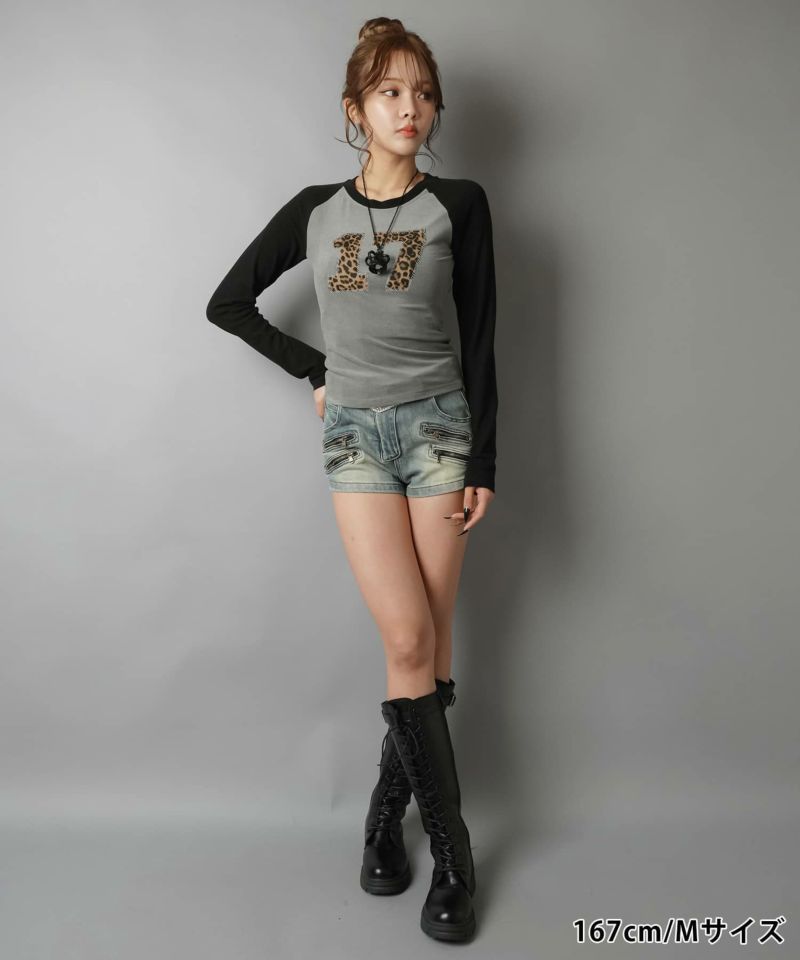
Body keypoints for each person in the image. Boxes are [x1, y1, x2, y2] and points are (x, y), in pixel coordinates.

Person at [205, 17, 498, 944]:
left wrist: (484, 461)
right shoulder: (314, 211)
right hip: (359, 443)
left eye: (423, 93)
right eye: (390, 93)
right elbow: (227, 302)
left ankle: (389, 832)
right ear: (355, 110)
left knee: (429, 654)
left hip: (441, 433)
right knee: (410, 638)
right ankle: (453, 851)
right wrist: (314, 369)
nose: (411, 109)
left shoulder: (460, 204)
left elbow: (483, 340)